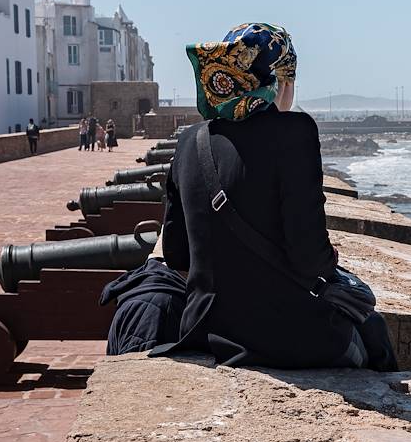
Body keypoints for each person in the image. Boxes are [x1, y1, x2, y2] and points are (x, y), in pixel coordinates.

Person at [155, 23, 395, 370]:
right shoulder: (294, 133)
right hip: (286, 334)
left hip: (205, 330)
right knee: (373, 335)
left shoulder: (191, 140)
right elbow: (308, 256)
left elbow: (176, 252)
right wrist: (331, 261)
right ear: (278, 82)